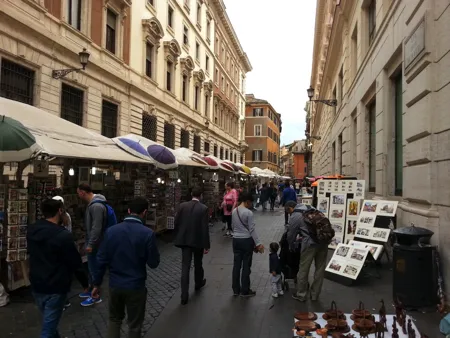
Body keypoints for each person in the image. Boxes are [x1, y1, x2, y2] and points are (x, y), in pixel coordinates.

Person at [91, 197, 160, 338]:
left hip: (115, 284)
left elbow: (101, 259)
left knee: (114, 320)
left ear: (128, 211)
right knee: (134, 324)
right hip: (136, 285)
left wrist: (96, 283)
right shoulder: (147, 234)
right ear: (145, 212)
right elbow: (154, 263)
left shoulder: (111, 232)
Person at [27, 199, 83, 337]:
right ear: (59, 211)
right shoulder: (63, 235)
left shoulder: (32, 230)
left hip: (37, 283)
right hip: (55, 285)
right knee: (49, 327)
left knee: (50, 322)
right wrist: (86, 284)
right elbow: (75, 261)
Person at [285, 201, 328, 302]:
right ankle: (315, 295)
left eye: (288, 211)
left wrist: (291, 246)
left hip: (309, 244)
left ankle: (301, 294)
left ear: (290, 208)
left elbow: (291, 235)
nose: (289, 214)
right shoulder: (312, 208)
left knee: (304, 269)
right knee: (320, 269)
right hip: (323, 241)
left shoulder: (295, 215)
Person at [174, 187, 210, 305]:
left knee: (185, 267)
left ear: (191, 194)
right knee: (198, 263)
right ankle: (198, 283)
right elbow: (205, 228)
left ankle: (184, 295)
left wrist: (179, 234)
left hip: (184, 240)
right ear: (201, 196)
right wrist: (206, 245)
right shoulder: (203, 208)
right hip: (197, 241)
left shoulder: (182, 206)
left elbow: (177, 222)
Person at [52, 196, 89, 311]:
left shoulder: (58, 218)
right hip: (65, 248)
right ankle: (64, 299)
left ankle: (61, 301)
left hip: (58, 250)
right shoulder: (66, 216)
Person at [77, 183, 110, 306]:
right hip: (96, 241)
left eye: (78, 193)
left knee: (94, 267)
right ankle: (91, 289)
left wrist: (90, 243)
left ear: (82, 192)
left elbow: (96, 227)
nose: (78, 196)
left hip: (96, 243)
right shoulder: (95, 204)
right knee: (92, 267)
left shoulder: (96, 206)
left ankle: (95, 295)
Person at [231, 191, 264, 297]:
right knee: (246, 266)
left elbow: (232, 226)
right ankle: (245, 290)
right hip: (246, 240)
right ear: (247, 202)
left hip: (235, 240)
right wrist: (258, 243)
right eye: (250, 203)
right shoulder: (248, 213)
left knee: (236, 265)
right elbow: (252, 229)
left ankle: (236, 289)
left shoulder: (234, 211)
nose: (251, 205)